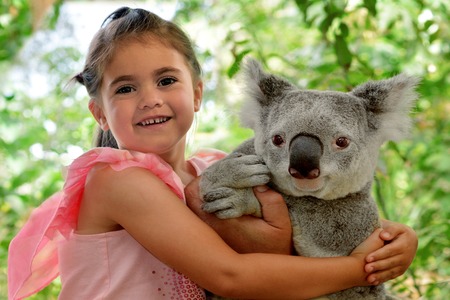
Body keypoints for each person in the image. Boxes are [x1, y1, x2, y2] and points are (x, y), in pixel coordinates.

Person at [7, 7, 418, 300]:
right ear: (99, 112)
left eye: (166, 80)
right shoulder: (117, 179)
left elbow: (316, 214)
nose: (150, 99)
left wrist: (394, 238)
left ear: (198, 93)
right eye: (126, 88)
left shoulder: (215, 167)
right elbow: (231, 277)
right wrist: (365, 269)